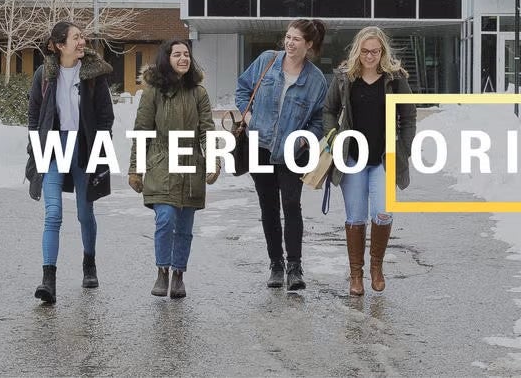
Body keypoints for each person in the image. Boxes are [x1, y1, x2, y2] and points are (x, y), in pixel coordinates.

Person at [235, 19, 329, 291]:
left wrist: (303, 140)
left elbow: (319, 121)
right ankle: (276, 265)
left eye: (296, 39)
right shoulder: (267, 61)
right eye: (288, 37)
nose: (289, 43)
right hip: (259, 147)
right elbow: (243, 89)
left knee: (291, 205)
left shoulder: (315, 80)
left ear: (309, 44)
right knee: (268, 207)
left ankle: (295, 267)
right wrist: (249, 116)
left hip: (291, 153)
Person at [323, 26, 416, 296]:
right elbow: (328, 110)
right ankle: (356, 275)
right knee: (355, 217)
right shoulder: (344, 78)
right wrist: (333, 137)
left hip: (383, 160)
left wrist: (405, 150)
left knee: (383, 212)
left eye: (375, 51)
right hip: (353, 158)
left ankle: (377, 268)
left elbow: (408, 116)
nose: (370, 56)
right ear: (357, 51)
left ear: (382, 51)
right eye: (365, 51)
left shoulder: (395, 79)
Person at [27, 21, 115, 304]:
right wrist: (36, 149)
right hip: (52, 146)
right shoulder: (43, 74)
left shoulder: (93, 75)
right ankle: (48, 279)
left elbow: (105, 116)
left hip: (83, 146)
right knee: (53, 213)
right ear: (59, 45)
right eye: (76, 38)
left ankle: (89, 263)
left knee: (83, 212)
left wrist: (100, 150)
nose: (82, 42)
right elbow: (34, 116)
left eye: (82, 37)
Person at [128, 40, 216, 299]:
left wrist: (213, 160)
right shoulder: (153, 91)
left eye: (186, 54)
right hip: (161, 162)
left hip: (191, 165)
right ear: (167, 59)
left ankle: (178, 274)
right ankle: (162, 270)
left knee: (185, 228)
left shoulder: (199, 93)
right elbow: (142, 132)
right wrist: (136, 168)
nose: (183, 58)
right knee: (165, 219)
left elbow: (207, 131)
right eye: (177, 54)